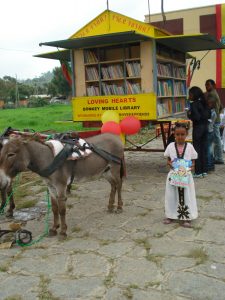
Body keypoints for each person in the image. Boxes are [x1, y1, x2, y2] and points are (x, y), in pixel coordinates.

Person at [163, 122, 198, 228]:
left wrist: (191, 167)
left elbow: (193, 162)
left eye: (182, 134)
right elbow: (168, 160)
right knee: (171, 195)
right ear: (174, 134)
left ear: (186, 134)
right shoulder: (170, 146)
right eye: (177, 134)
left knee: (186, 196)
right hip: (173, 175)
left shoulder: (190, 147)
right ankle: (170, 215)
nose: (180, 137)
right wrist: (170, 164)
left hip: (186, 176)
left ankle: (186, 217)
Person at [187, 86, 210, 177]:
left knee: (196, 150)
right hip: (205, 127)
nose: (189, 96)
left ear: (194, 95)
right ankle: (204, 170)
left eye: (190, 94)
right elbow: (208, 115)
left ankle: (198, 172)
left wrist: (189, 114)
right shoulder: (204, 103)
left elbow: (196, 117)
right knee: (203, 149)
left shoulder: (194, 104)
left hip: (198, 128)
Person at [205, 79, 224, 164]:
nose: (206, 86)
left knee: (216, 139)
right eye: (205, 85)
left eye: (208, 85)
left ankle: (219, 158)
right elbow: (221, 107)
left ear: (214, 85)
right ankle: (217, 157)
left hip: (213, 121)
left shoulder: (211, 94)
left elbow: (209, 106)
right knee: (216, 138)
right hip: (216, 119)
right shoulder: (215, 93)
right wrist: (217, 114)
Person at [207, 96, 217, 172]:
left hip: (209, 132)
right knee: (209, 149)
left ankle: (210, 166)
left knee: (209, 150)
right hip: (210, 131)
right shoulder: (212, 112)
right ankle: (211, 165)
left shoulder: (212, 113)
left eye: (209, 104)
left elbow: (208, 122)